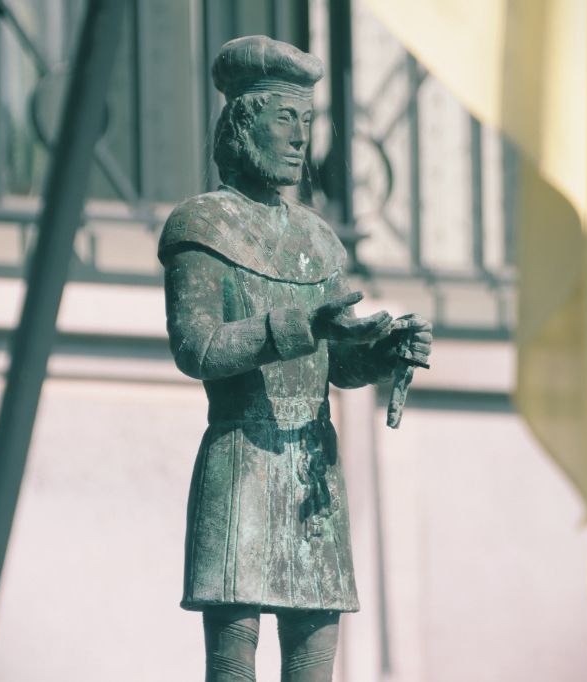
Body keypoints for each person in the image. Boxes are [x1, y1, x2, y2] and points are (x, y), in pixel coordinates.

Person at [158, 35, 432, 682]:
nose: (300, 136)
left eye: (306, 120)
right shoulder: (201, 227)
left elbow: (334, 361)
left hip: (311, 469)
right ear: (243, 122)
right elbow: (197, 348)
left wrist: (382, 353)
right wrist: (298, 326)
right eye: (285, 117)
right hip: (241, 459)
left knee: (314, 656)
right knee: (234, 655)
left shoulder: (319, 240)